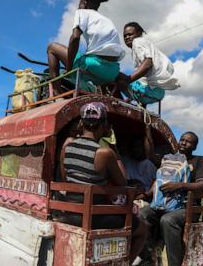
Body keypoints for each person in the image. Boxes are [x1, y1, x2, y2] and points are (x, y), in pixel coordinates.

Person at [60, 102, 147, 262]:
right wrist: (115, 148)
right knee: (142, 229)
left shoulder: (67, 145)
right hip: (95, 215)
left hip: (71, 212)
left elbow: (66, 178)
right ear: (105, 126)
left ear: (81, 123)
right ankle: (126, 263)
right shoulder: (104, 153)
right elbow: (123, 182)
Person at [138, 131, 203, 266]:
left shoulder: (199, 160)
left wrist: (179, 185)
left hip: (188, 207)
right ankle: (148, 258)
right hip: (163, 205)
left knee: (168, 220)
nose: (183, 143)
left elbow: (201, 185)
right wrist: (147, 129)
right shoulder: (169, 158)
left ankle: (173, 263)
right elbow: (151, 157)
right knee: (142, 214)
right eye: (182, 140)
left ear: (194, 147)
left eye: (188, 141)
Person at [47, 0, 125, 95]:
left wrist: (69, 69)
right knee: (84, 56)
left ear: (84, 2)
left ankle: (56, 91)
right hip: (113, 71)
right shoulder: (106, 20)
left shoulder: (82, 12)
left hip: (95, 66)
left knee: (52, 47)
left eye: (79, 3)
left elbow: (75, 38)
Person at [120, 22, 180, 105]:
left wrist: (127, 80)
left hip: (149, 91)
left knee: (112, 76)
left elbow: (147, 64)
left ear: (139, 33)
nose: (127, 37)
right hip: (157, 92)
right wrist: (129, 99)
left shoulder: (137, 42)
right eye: (125, 36)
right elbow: (143, 78)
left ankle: (117, 106)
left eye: (130, 34)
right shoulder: (147, 45)